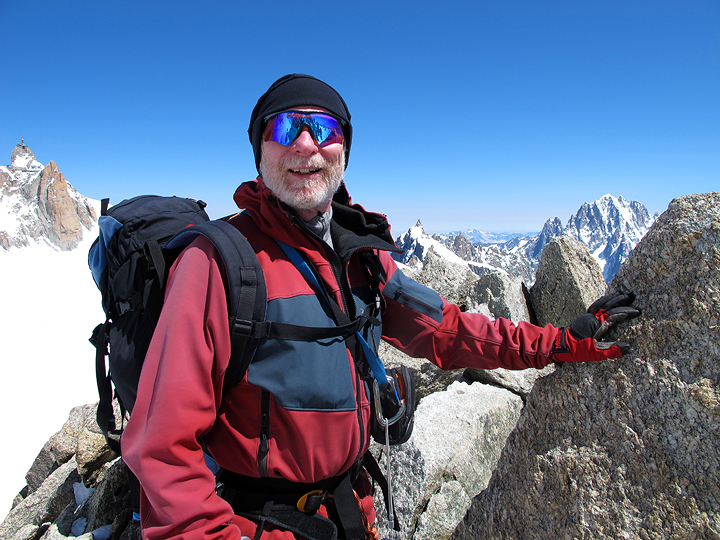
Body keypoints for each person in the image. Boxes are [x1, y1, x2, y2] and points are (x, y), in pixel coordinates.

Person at [122, 74, 638, 540]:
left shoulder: (361, 257)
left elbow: (447, 330)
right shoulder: (217, 262)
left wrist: (556, 343)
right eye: (284, 127)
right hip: (261, 522)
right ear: (260, 151)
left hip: (351, 509)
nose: (305, 144)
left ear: (344, 150)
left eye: (324, 128)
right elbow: (161, 448)